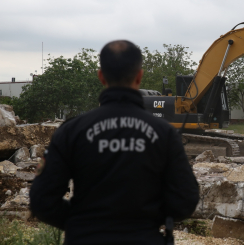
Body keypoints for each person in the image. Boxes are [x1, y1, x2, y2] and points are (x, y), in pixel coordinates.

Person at [29, 40, 200, 245]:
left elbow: (41, 200)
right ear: (139, 76)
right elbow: (186, 199)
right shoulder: (164, 133)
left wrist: (80, 222)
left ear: (101, 76)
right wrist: (149, 219)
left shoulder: (71, 131)